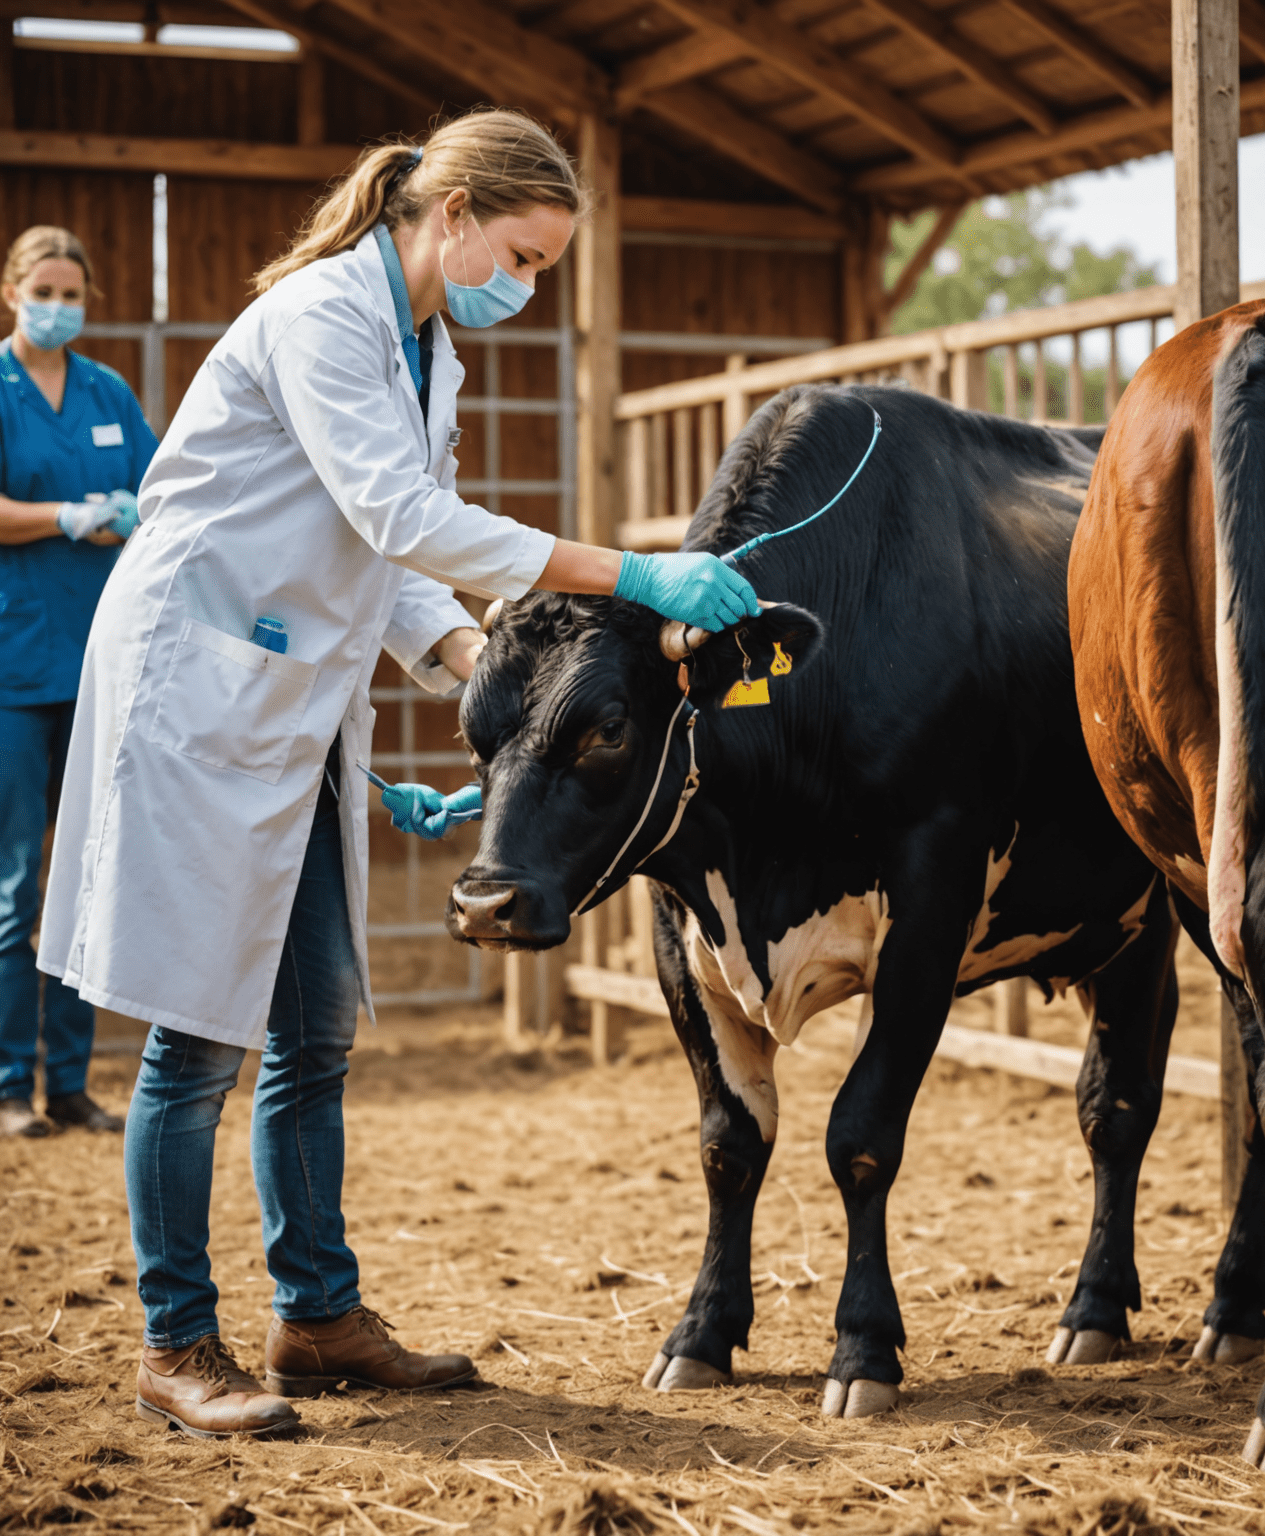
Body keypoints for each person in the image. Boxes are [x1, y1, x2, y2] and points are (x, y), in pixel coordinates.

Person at [37, 109, 759, 1438]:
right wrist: (630, 570)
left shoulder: (430, 354)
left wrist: (482, 677)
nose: (526, 289)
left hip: (292, 709)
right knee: (197, 1037)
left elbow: (383, 565)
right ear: (458, 212)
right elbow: (401, 516)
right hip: (199, 689)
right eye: (527, 258)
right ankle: (175, 1341)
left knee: (317, 1028)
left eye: (545, 270)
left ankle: (315, 1313)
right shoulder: (322, 318)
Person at [0, 226, 154, 1140]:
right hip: (16, 669)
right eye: (43, 290)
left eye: (73, 292)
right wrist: (66, 514)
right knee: (20, 881)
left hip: (101, 664)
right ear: (12, 291)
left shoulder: (106, 390)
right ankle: (11, 1084)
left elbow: (161, 484)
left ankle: (72, 1083)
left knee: (89, 879)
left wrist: (139, 512)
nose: (59, 305)